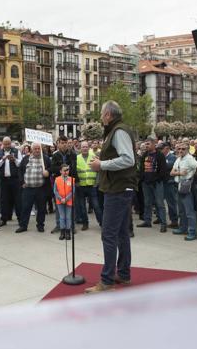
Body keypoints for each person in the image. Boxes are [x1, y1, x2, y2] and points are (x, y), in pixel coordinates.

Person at [85, 101, 137, 293]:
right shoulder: (116, 130)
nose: (100, 118)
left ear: (108, 114)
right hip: (119, 188)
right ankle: (123, 274)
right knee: (122, 234)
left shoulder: (119, 131)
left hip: (118, 189)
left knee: (109, 234)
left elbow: (128, 159)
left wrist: (102, 164)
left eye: (101, 114)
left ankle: (106, 281)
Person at [171, 143, 197, 241]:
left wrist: (191, 176)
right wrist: (180, 173)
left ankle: (192, 232)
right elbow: (171, 172)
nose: (180, 150)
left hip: (186, 187)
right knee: (182, 210)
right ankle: (183, 228)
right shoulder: (178, 159)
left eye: (183, 149)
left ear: (188, 150)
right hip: (179, 185)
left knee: (189, 212)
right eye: (179, 148)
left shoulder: (189, 159)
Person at [16, 142, 51, 233]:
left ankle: (40, 225)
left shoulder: (45, 159)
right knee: (26, 207)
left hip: (41, 188)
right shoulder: (26, 158)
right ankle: (23, 225)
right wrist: (22, 182)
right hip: (28, 188)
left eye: (38, 148)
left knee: (41, 208)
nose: (37, 150)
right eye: (35, 148)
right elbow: (20, 171)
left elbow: (51, 168)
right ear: (31, 149)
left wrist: (48, 171)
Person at [137, 137, 167, 228]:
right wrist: (142, 178)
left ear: (154, 144)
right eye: (146, 144)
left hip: (157, 183)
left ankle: (163, 223)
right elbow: (141, 168)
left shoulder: (160, 155)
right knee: (147, 203)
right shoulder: (144, 155)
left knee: (160, 203)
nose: (146, 146)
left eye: (148, 144)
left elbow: (163, 170)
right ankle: (147, 221)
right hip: (146, 183)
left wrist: (156, 179)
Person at [50, 135, 77, 234]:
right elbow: (53, 168)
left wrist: (75, 180)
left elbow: (74, 169)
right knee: (59, 206)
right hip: (60, 182)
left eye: (65, 143)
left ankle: (71, 226)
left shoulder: (72, 154)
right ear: (58, 143)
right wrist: (63, 169)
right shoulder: (55, 155)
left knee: (71, 205)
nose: (64, 145)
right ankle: (59, 225)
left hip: (70, 182)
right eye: (62, 143)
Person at [0, 137, 22, 227]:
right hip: (3, 180)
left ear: (11, 143)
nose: (7, 146)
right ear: (2, 144)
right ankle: (3, 219)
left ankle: (20, 218)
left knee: (17, 199)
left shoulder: (16, 151)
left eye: (8, 143)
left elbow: (20, 164)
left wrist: (14, 159)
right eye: (5, 144)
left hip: (15, 179)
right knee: (3, 200)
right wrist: (3, 159)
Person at [75, 141, 102, 230]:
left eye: (86, 147)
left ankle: (101, 223)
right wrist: (77, 182)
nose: (85, 148)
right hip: (81, 186)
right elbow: (75, 171)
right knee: (82, 207)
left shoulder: (94, 157)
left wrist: (96, 183)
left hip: (92, 186)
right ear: (80, 148)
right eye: (83, 147)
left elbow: (99, 171)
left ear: (88, 147)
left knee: (96, 206)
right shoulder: (77, 158)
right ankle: (85, 223)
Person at [159, 142, 179, 230]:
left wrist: (159, 164)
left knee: (171, 203)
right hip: (162, 182)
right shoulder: (162, 157)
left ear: (167, 148)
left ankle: (174, 221)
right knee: (160, 202)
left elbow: (168, 166)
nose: (160, 150)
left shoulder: (172, 157)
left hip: (169, 183)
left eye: (161, 149)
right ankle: (160, 218)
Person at [54, 164, 74, 240]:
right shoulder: (57, 179)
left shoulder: (72, 179)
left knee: (68, 217)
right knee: (62, 217)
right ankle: (62, 232)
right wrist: (60, 199)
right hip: (60, 201)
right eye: (64, 170)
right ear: (60, 171)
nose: (66, 172)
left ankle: (68, 232)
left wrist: (66, 198)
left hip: (68, 201)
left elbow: (72, 191)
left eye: (67, 170)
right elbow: (55, 191)